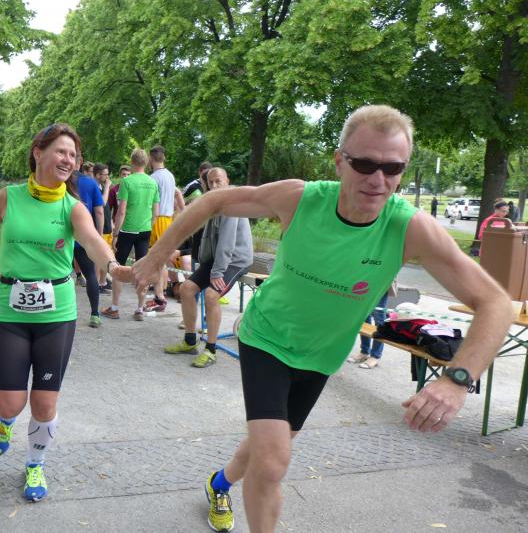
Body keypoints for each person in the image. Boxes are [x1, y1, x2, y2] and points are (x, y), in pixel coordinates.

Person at [132, 104, 513, 533]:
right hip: (267, 339)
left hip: (321, 357)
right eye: (364, 164)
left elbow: (496, 303)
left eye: (392, 168)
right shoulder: (301, 198)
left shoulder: (409, 228)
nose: (378, 179)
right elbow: (216, 200)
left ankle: (219, 483)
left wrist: (456, 380)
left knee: (267, 447)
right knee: (273, 461)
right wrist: (157, 256)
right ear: (339, 161)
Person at [0, 123, 131, 503]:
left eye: (73, 155)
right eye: (61, 151)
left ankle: (35, 463)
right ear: (38, 152)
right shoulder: (9, 197)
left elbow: (92, 241)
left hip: (56, 315)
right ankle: (5, 422)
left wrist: (113, 267)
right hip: (11, 311)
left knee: (44, 404)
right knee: (10, 403)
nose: (68, 160)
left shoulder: (72, 207)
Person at [163, 167, 253, 368]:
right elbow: (204, 235)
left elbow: (227, 241)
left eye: (218, 181)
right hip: (217, 259)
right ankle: (189, 341)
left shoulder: (231, 203)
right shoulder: (213, 202)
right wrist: (204, 262)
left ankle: (211, 350)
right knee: (187, 288)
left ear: (227, 180)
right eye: (210, 182)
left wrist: (217, 272)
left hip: (237, 260)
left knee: (211, 296)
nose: (214, 185)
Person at [101, 148, 159, 321]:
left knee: (118, 269)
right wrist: (148, 226)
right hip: (145, 231)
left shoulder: (127, 182)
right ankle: (139, 309)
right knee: (143, 271)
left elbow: (121, 211)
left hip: (127, 230)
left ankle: (115, 308)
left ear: (132, 162)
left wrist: (115, 234)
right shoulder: (153, 183)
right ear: (146, 163)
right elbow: (156, 212)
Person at [145, 145, 185, 313]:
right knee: (163, 259)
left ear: (151, 159)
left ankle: (160, 296)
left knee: (158, 259)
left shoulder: (153, 178)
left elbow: (150, 202)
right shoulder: (170, 176)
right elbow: (177, 195)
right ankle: (163, 292)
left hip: (158, 219)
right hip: (168, 219)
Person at [72, 158, 106, 327]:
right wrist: (98, 236)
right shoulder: (90, 183)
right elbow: (99, 211)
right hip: (82, 236)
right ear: (80, 162)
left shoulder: (56, 180)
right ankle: (94, 314)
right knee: (91, 274)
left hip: (59, 236)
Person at [346, 293, 389, 369]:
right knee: (364, 315)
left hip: (381, 286)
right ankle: (364, 351)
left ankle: (375, 356)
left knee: (379, 316)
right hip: (370, 286)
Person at [94, 163, 113, 293]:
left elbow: (107, 208)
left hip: (106, 226)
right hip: (99, 228)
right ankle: (96, 284)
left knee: (105, 257)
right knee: (98, 257)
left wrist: (111, 222)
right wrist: (107, 188)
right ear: (97, 175)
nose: (107, 177)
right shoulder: (95, 187)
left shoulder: (100, 187)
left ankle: (102, 281)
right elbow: (102, 203)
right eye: (105, 174)